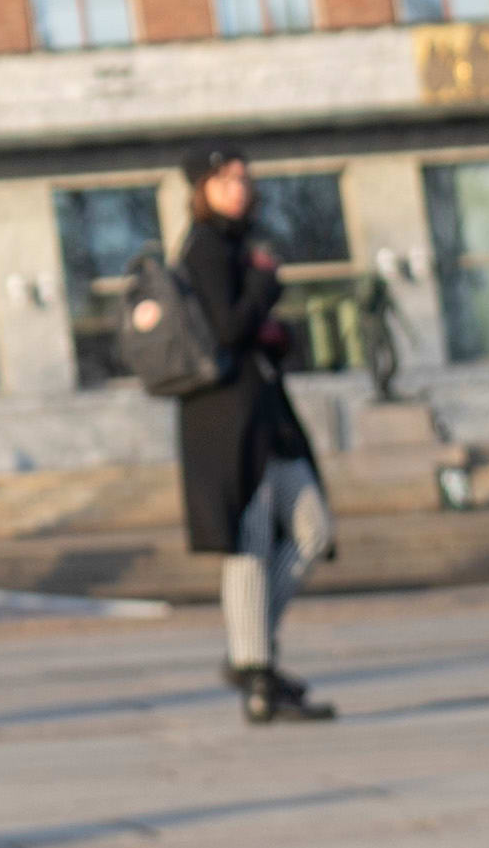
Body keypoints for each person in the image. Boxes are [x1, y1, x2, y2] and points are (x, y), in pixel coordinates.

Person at [177, 143, 336, 722]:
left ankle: (250, 654)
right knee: (249, 542)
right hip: (227, 419)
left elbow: (252, 330)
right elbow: (227, 327)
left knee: (313, 528)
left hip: (266, 414)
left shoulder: (241, 245)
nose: (239, 188)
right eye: (225, 179)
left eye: (244, 177)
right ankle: (256, 671)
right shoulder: (204, 248)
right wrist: (266, 284)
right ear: (202, 189)